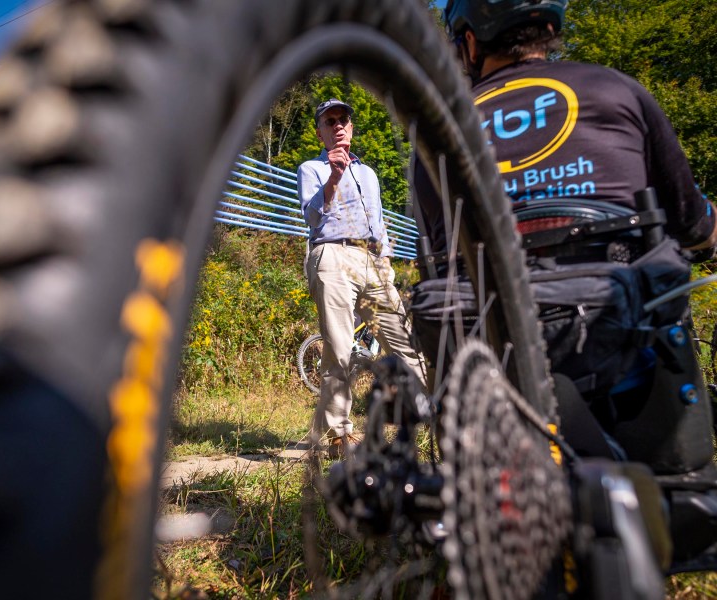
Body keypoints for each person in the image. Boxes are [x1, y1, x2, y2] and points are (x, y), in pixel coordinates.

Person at [412, 0, 717, 457]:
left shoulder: (435, 133)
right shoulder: (615, 89)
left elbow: (441, 255)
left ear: (470, 42)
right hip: (617, 334)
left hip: (489, 349)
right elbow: (694, 227)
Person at [298, 98, 426, 456]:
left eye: (343, 120)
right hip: (332, 253)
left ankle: (425, 413)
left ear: (351, 129)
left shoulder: (369, 173)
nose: (338, 125)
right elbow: (311, 217)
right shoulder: (312, 168)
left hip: (371, 259)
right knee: (339, 347)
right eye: (330, 121)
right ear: (321, 131)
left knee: (403, 341)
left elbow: (379, 220)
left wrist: (384, 259)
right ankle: (339, 435)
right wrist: (334, 178)